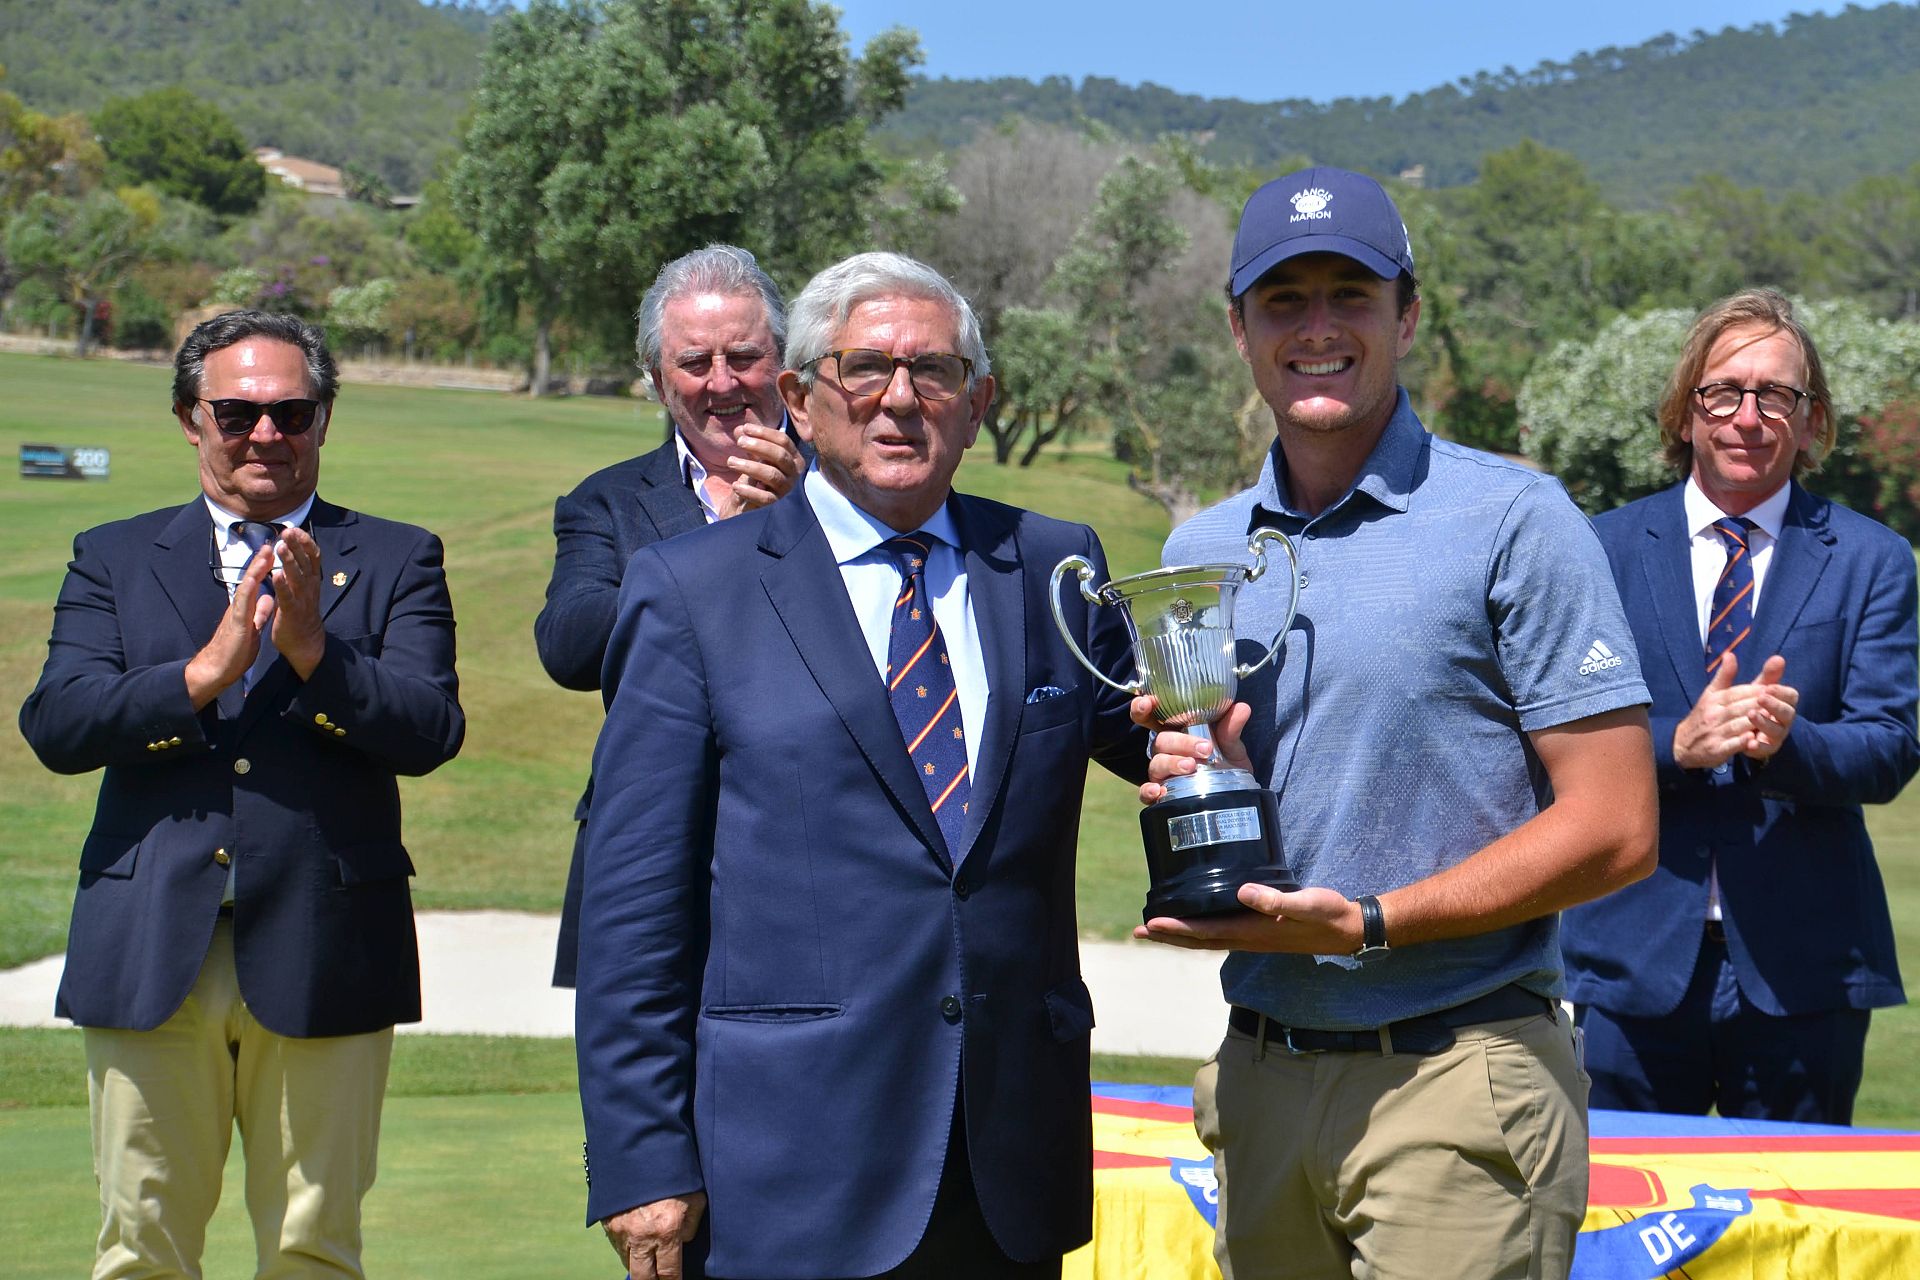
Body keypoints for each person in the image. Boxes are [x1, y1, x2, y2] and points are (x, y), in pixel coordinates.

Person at [574, 251, 1147, 1280]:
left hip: (1006, 1168)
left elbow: (1164, 740)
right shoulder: (691, 589)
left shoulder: (1056, 566)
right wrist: (640, 1154)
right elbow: (634, 907)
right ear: (799, 398)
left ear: (977, 405)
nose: (900, 398)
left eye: (934, 371)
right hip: (785, 1168)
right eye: (864, 366)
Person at [1134, 167, 1658, 1279]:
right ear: (1238, 328)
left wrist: (1371, 921)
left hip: (1456, 1070)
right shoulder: (1197, 554)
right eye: (1283, 299)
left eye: (1350, 294)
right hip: (1260, 1075)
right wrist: (1197, 777)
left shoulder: (1516, 519)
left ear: (1406, 316)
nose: (1317, 328)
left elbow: (1618, 825)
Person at [18, 309, 465, 1278]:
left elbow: (430, 729)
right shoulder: (115, 554)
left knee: (314, 1245)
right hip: (148, 943)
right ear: (191, 417)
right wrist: (198, 675)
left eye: (292, 412)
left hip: (325, 939)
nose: (266, 434)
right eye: (236, 412)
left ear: (324, 420)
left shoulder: (395, 556)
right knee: (142, 1244)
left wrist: (314, 654)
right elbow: (57, 723)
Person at [1562, 289, 1919, 1124]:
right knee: (1624, 1228)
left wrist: (1786, 745)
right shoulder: (1598, 550)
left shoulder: (1873, 560)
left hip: (1808, 967)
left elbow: (1893, 744)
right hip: (1630, 958)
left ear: (1812, 419)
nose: (1747, 416)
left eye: (1776, 395)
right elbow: (1555, 737)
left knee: (1794, 1241)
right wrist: (1672, 745)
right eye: (1723, 391)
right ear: (1686, 411)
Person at [535, 244, 805, 988]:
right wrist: (718, 549)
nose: (723, 383)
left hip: (816, 846)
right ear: (658, 380)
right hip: (651, 850)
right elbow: (569, 646)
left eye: (744, 356)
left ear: (784, 365)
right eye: (694, 363)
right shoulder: (607, 502)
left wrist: (799, 531)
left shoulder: (848, 494)